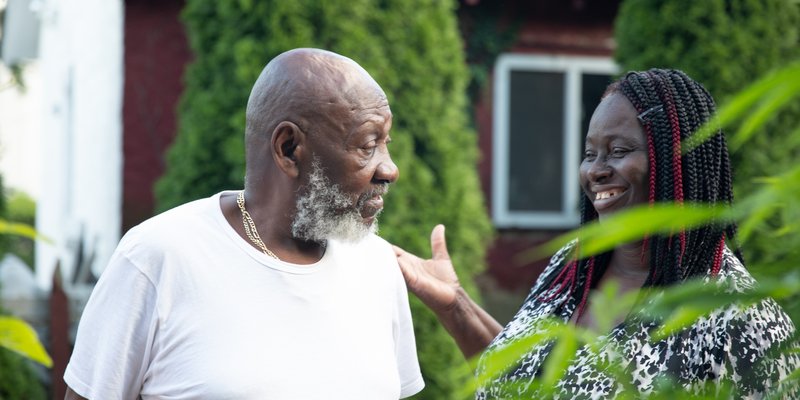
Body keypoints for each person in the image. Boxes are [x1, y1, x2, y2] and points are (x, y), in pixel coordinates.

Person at [394, 69, 799, 398]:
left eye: (619, 151)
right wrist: (455, 305)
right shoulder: (571, 267)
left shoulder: (738, 319)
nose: (596, 170)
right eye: (590, 154)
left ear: (679, 161)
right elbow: (522, 381)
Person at [64, 48, 424, 400]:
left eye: (385, 144)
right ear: (288, 149)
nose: (390, 169)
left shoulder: (377, 266)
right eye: (367, 145)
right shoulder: (157, 257)